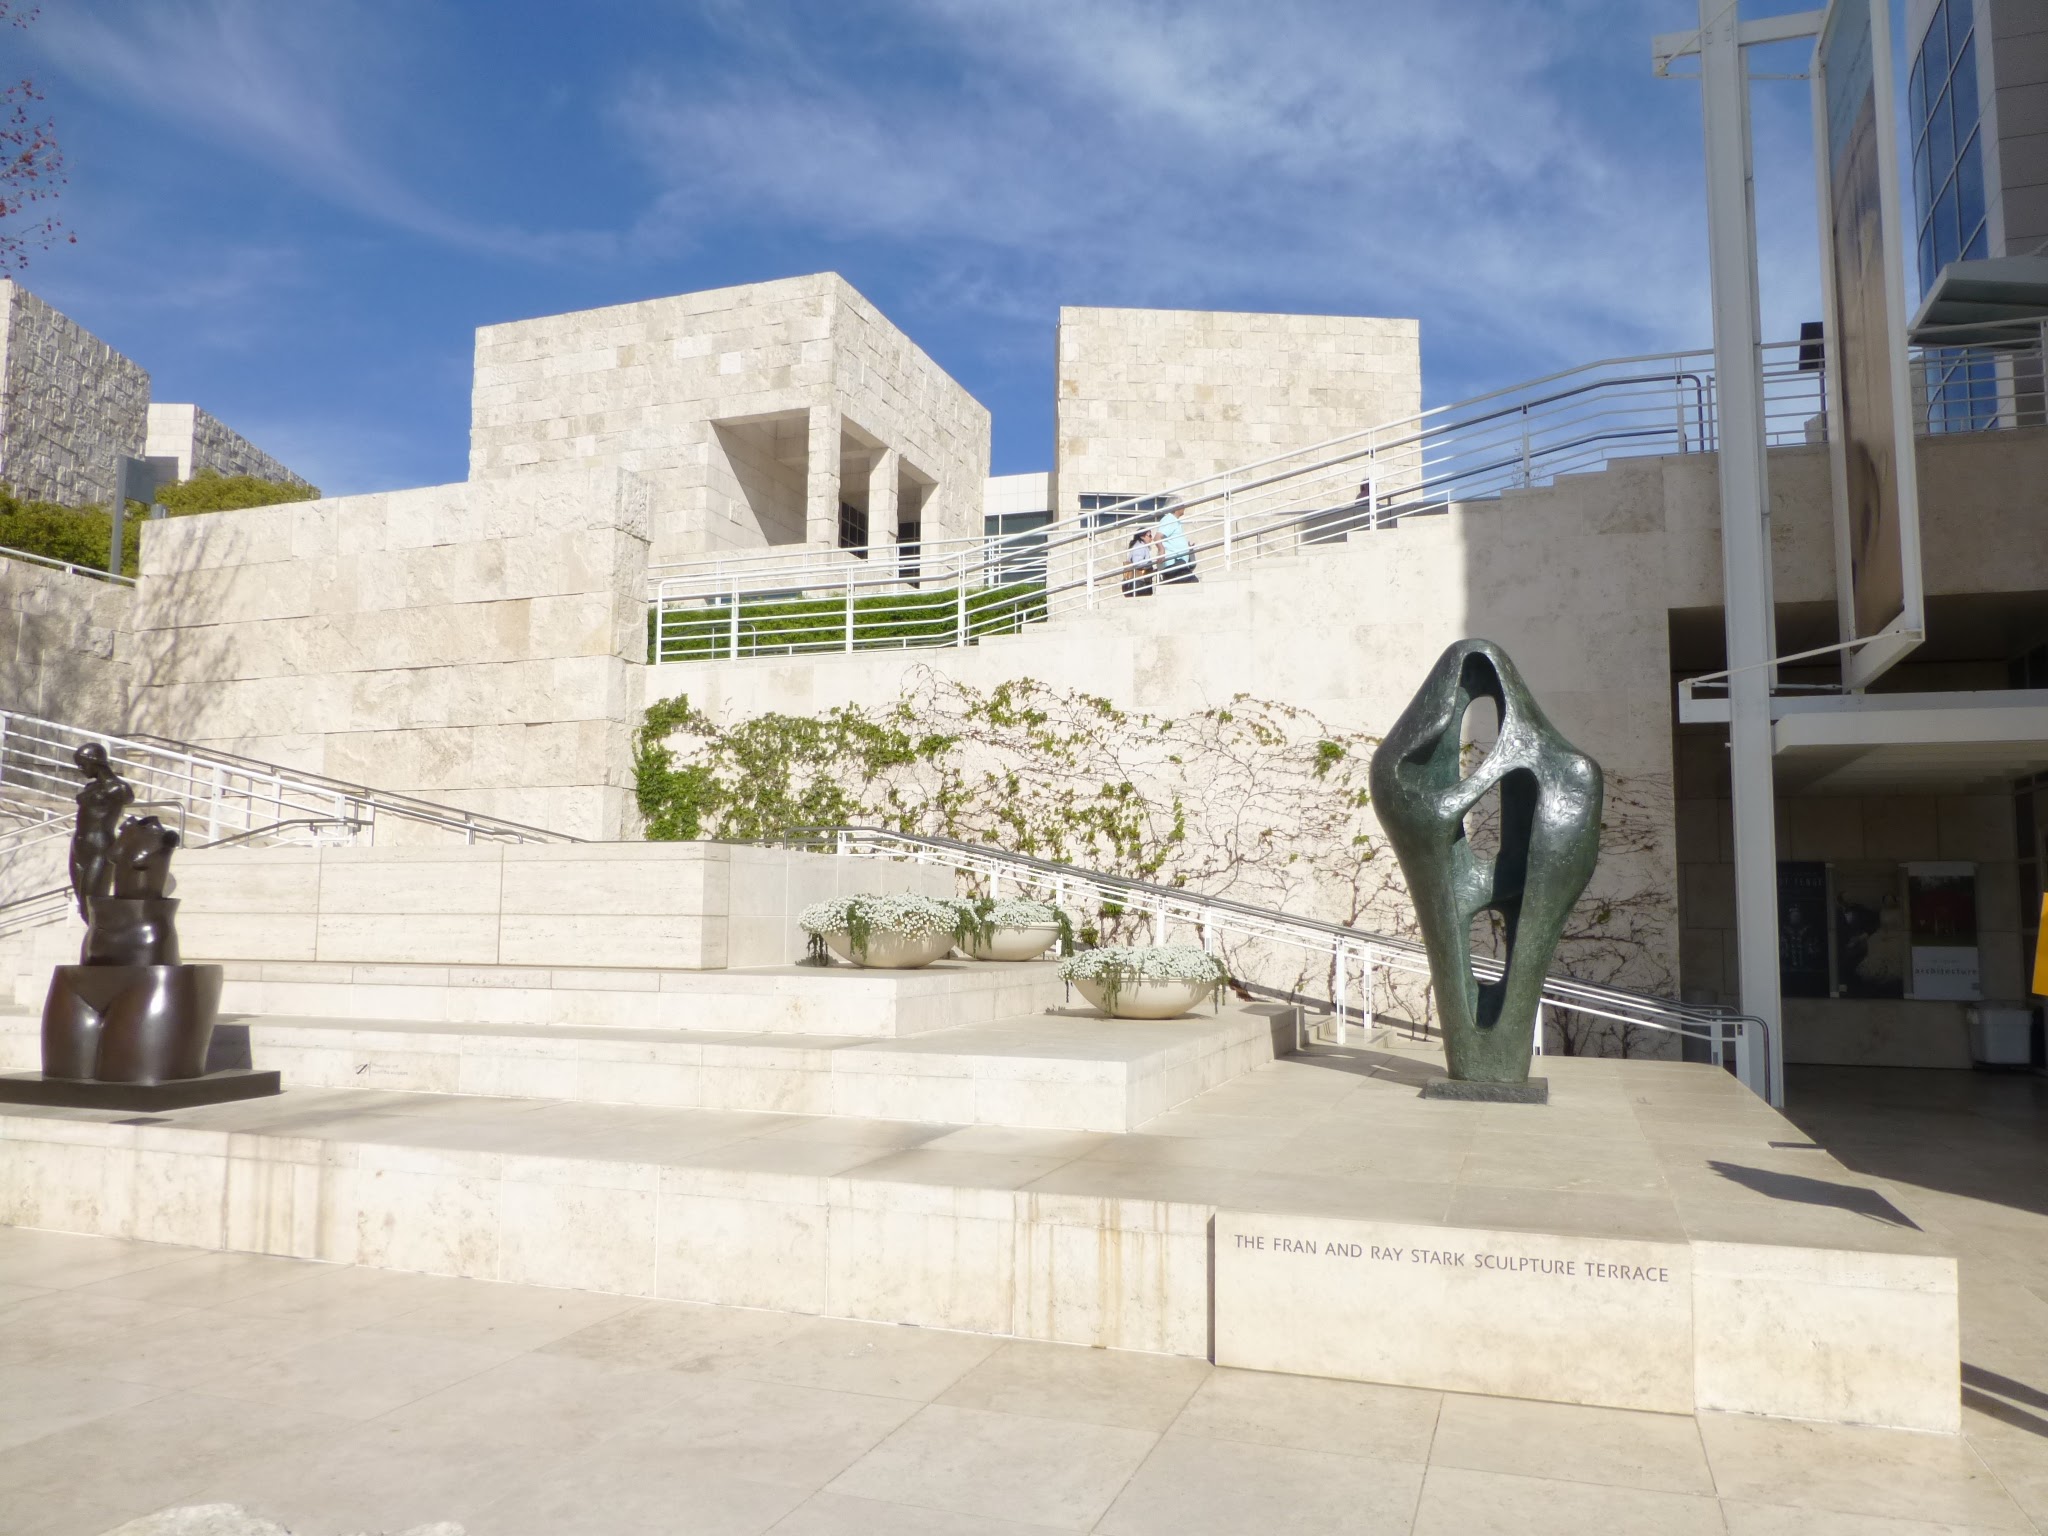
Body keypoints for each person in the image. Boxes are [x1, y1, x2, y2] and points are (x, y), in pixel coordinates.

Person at [1155, 506, 1197, 584]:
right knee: (1193, 583)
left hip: (1178, 562)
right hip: (1174, 562)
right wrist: (1161, 550)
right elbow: (1157, 537)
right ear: (1176, 508)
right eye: (1182, 506)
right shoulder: (1170, 519)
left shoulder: (1174, 520)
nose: (1184, 508)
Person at [1123, 528, 1156, 597]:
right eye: (1149, 536)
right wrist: (1151, 562)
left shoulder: (1140, 546)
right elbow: (1138, 563)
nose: (1151, 538)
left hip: (1137, 582)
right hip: (1139, 583)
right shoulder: (1140, 546)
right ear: (1142, 536)